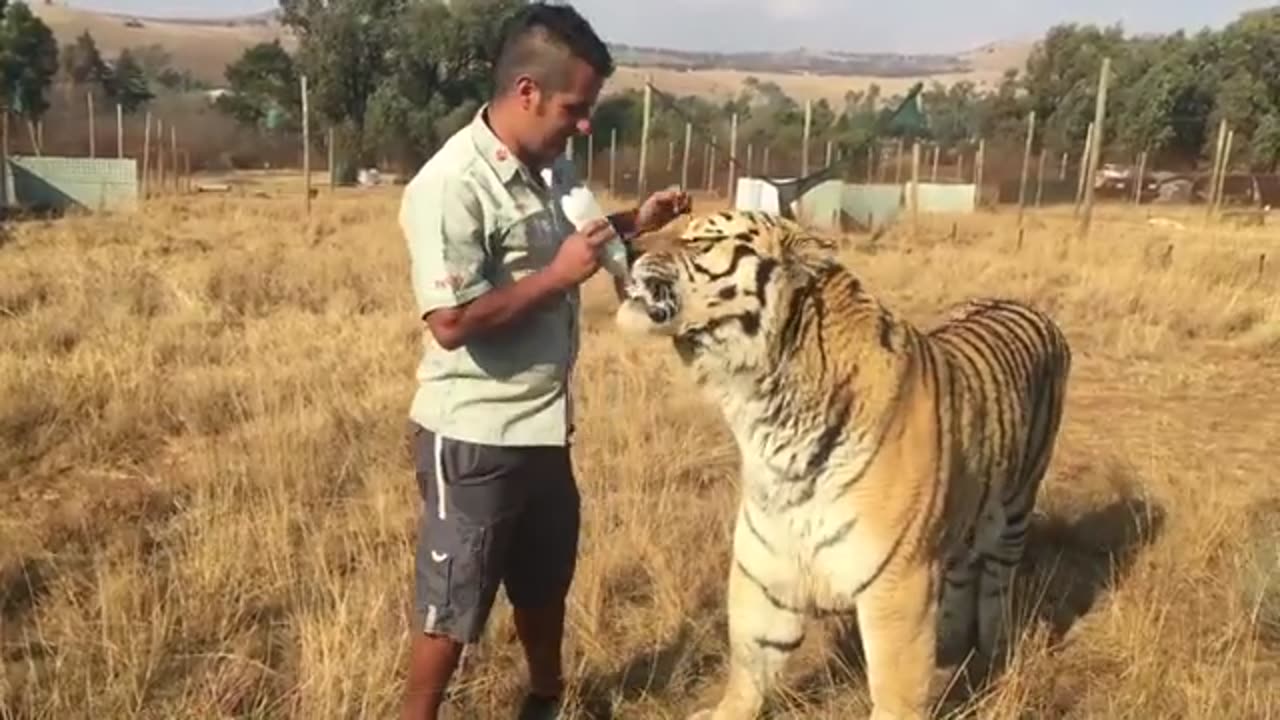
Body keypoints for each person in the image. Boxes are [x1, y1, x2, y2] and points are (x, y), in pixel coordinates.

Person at [396, 4, 691, 719]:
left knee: (542, 580)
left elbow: (575, 242)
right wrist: (560, 278)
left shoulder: (547, 169)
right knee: (453, 601)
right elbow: (451, 321)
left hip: (542, 429)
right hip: (474, 436)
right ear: (526, 91)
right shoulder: (451, 186)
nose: (584, 123)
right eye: (575, 107)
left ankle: (544, 698)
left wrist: (634, 223)